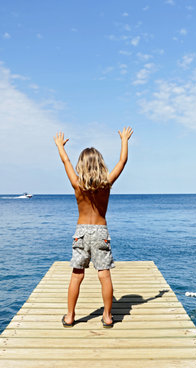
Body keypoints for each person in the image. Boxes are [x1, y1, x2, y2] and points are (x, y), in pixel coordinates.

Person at [54, 127, 133, 328]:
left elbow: (66, 162)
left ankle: (70, 316)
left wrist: (60, 147)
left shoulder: (77, 184)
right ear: (100, 164)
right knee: (104, 274)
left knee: (77, 274)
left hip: (81, 232)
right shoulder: (106, 183)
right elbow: (122, 162)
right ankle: (107, 316)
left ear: (82, 165)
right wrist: (124, 140)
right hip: (100, 231)